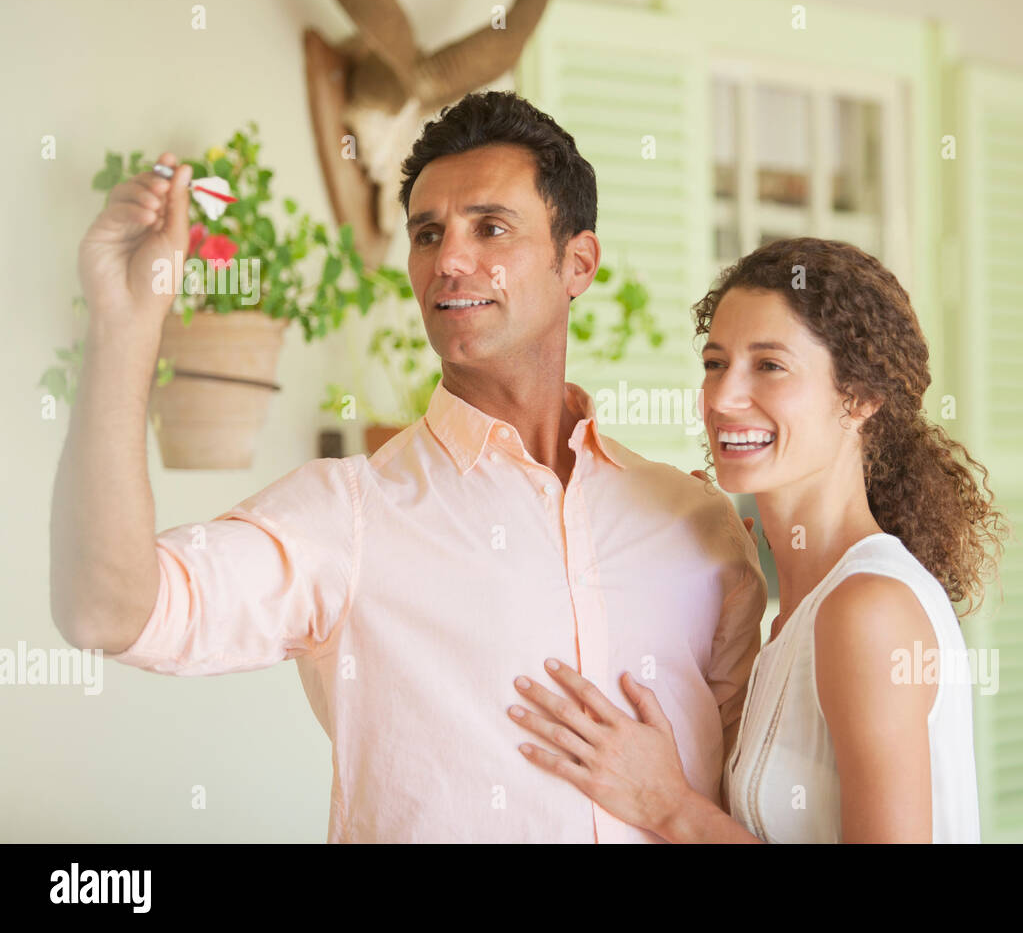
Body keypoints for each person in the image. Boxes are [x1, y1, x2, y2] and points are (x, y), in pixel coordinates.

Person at [50, 90, 768, 842]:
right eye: (428, 235)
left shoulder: (698, 526)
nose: (449, 260)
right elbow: (108, 612)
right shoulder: (346, 517)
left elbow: (733, 796)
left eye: (490, 227)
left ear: (577, 263)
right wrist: (123, 324)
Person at [506, 237, 1008, 842]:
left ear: (861, 398)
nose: (722, 398)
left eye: (769, 366)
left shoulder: (866, 610)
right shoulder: (790, 614)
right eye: (715, 364)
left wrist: (668, 805)